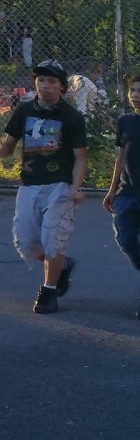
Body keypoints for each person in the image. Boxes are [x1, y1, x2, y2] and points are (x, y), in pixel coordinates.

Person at [0, 59, 88, 314]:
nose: (45, 86)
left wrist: (75, 187)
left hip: (60, 186)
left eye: (51, 81)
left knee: (54, 240)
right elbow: (10, 145)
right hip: (30, 184)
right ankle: (61, 267)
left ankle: (48, 292)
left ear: (62, 88)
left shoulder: (72, 117)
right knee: (28, 244)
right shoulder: (24, 110)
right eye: (41, 80)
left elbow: (80, 157)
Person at [102, 72, 140, 318]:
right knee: (125, 239)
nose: (136, 96)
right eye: (133, 91)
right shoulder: (125, 121)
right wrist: (111, 190)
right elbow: (120, 158)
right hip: (127, 193)